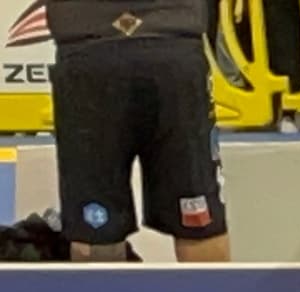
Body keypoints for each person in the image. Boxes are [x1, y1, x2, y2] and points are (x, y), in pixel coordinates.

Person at [47, 0, 231, 262]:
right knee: (198, 220)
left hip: (93, 51)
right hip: (169, 47)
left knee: (96, 228)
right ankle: (214, 291)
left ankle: (100, 288)